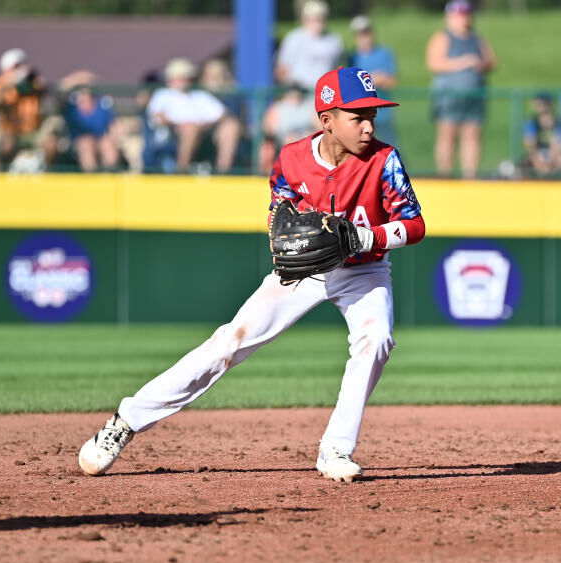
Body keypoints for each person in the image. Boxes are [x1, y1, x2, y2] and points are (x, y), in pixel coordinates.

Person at [78, 66, 426, 483]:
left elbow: (415, 224)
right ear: (327, 119)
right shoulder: (292, 160)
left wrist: (363, 239)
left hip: (364, 270)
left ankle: (336, 449)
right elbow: (280, 221)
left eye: (373, 115)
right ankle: (125, 422)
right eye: (358, 116)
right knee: (229, 343)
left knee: (376, 338)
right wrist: (286, 242)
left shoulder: (384, 160)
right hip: (306, 270)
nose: (369, 125)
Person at [426, 0, 496, 179]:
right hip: (449, 96)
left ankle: (469, 176)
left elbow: (491, 62)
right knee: (448, 134)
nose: (463, 19)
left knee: (472, 134)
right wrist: (462, 62)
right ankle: (446, 175)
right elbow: (434, 63)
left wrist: (480, 64)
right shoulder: (442, 38)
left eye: (466, 15)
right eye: (459, 16)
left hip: (473, 95)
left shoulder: (477, 39)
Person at [146, 58, 241, 174]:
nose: (185, 81)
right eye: (181, 77)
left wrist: (204, 125)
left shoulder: (199, 95)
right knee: (190, 128)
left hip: (205, 134)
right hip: (172, 136)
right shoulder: (162, 95)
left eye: (187, 77)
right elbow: (158, 117)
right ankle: (181, 172)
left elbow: (221, 114)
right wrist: (183, 124)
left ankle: (223, 173)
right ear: (170, 79)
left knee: (231, 127)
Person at [0, 48, 46, 169]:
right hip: (9, 132)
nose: (21, 69)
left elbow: (43, 89)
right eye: (17, 66)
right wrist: (11, 82)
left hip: (33, 132)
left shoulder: (32, 82)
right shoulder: (0, 83)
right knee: (5, 146)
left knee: (49, 144)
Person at [348, 15, 398, 146]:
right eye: (360, 34)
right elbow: (351, 84)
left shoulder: (384, 53)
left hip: (383, 111)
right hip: (360, 112)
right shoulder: (352, 57)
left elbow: (391, 82)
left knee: (390, 147)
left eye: (366, 32)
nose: (364, 37)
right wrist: (373, 79)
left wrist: (368, 80)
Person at [59, 70, 121, 172]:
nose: (85, 90)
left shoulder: (102, 103)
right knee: (87, 144)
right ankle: (91, 179)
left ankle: (108, 178)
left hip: (100, 138)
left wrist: (114, 137)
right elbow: (59, 90)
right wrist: (76, 79)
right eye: (82, 87)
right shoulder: (71, 104)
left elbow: (113, 124)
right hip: (78, 140)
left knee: (108, 146)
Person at [275, 1, 343, 90]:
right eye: (314, 18)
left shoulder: (334, 41)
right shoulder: (293, 39)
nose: (317, 22)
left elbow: (338, 69)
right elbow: (281, 70)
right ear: (305, 19)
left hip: (327, 93)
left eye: (320, 18)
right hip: (300, 94)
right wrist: (291, 90)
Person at [520, 92, 561, 177]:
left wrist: (553, 161)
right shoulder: (532, 123)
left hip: (557, 156)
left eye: (544, 103)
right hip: (539, 155)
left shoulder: (559, 123)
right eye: (539, 104)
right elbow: (530, 145)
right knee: (525, 165)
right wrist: (537, 160)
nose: (542, 106)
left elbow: (558, 144)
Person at [257, 84, 318, 174]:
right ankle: (292, 173)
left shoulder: (308, 106)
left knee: (307, 139)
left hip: (305, 136)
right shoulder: (278, 107)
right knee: (290, 140)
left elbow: (318, 126)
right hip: (282, 137)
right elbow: (269, 129)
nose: (295, 97)